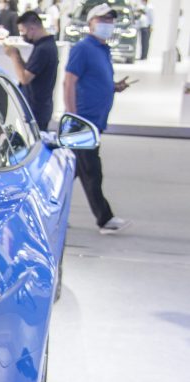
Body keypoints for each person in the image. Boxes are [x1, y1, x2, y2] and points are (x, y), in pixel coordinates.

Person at [63, 3, 131, 235]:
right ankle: (105, 219)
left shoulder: (103, 50)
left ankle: (52, 213)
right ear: (91, 23)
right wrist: (73, 118)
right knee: (92, 170)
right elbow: (69, 82)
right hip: (84, 122)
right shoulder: (82, 48)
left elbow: (95, 81)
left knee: (72, 172)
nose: (107, 25)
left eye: (111, 21)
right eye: (102, 20)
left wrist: (113, 87)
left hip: (95, 121)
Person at [4, 10, 57, 130]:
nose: (22, 35)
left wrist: (14, 55)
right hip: (38, 106)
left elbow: (24, 78)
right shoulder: (44, 46)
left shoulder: (43, 49)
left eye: (23, 31)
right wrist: (17, 54)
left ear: (32, 28)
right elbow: (30, 70)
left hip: (36, 109)